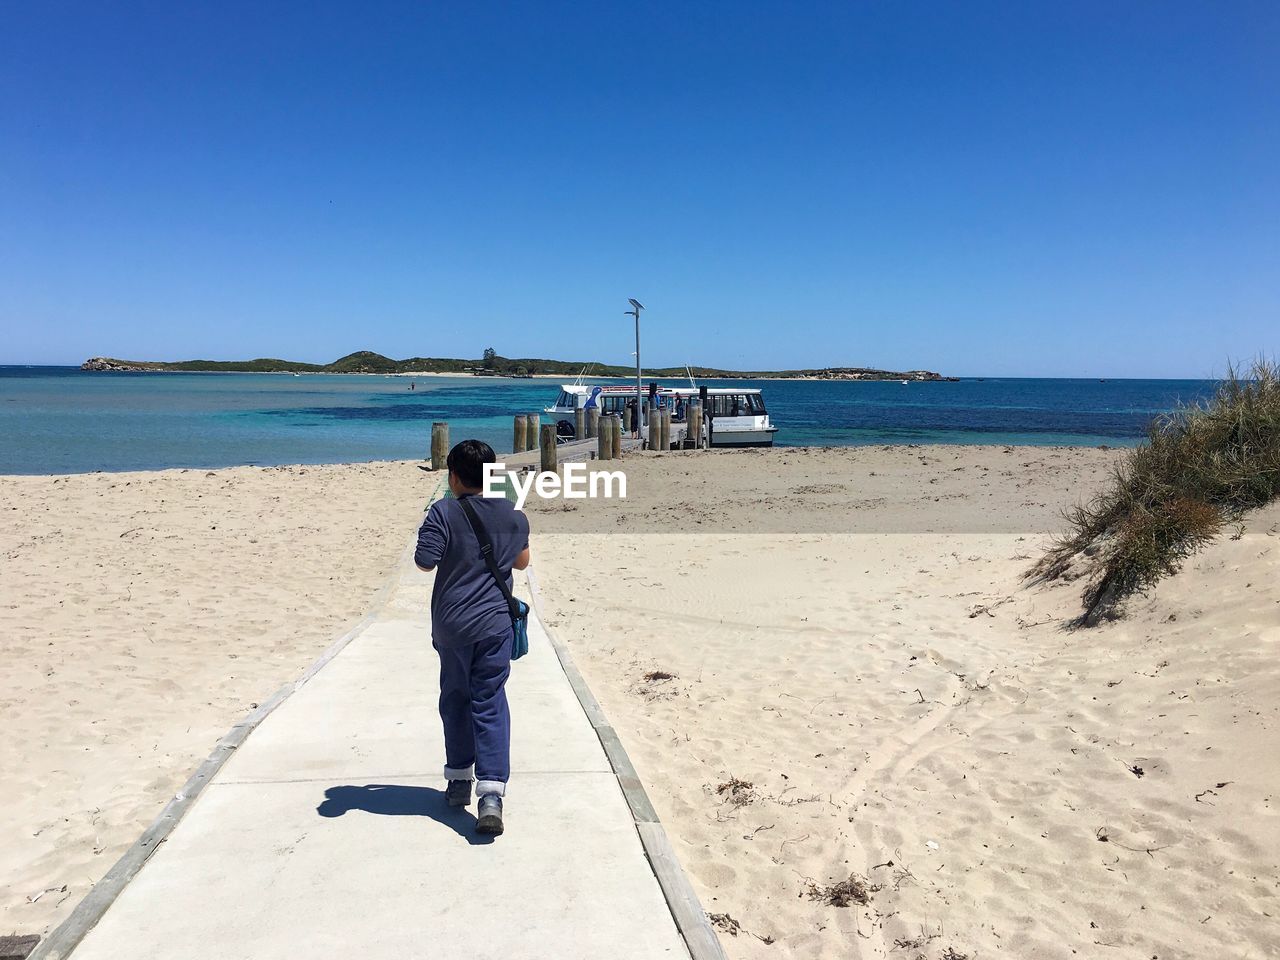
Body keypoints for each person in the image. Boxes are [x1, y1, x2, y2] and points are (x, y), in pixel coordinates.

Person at [414, 439, 530, 835]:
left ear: (452, 476)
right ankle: (492, 795)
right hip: (494, 623)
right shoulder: (513, 513)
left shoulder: (442, 512)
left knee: (455, 698)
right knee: (490, 701)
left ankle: (459, 780)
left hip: (452, 625)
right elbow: (522, 560)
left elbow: (424, 562)